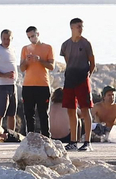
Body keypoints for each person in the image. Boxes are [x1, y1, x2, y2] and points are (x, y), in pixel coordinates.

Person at [58, 17, 96, 151]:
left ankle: (87, 142)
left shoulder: (86, 43)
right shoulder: (65, 45)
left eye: (82, 26)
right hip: (69, 79)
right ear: (72, 28)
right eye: (78, 26)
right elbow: (68, 61)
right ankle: (73, 141)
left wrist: (87, 76)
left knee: (85, 110)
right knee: (71, 111)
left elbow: (92, 63)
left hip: (82, 79)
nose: (81, 29)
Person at [19, 26, 54, 137]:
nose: (31, 39)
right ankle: (30, 137)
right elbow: (22, 68)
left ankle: (46, 137)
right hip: (28, 85)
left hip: (43, 85)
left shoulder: (48, 47)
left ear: (38, 34)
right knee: (28, 114)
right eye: (29, 37)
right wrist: (26, 61)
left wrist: (40, 60)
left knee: (43, 113)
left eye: (33, 36)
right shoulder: (25, 49)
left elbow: (52, 66)